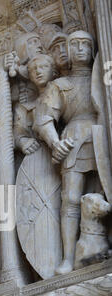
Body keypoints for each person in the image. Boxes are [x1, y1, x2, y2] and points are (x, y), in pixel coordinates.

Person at [34, 31, 98, 274]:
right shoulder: (60, 85)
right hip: (73, 139)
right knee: (70, 199)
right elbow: (44, 119)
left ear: (93, 49)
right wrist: (54, 142)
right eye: (75, 44)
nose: (80, 48)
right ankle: (68, 258)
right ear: (68, 51)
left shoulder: (102, 76)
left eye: (85, 44)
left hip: (103, 136)